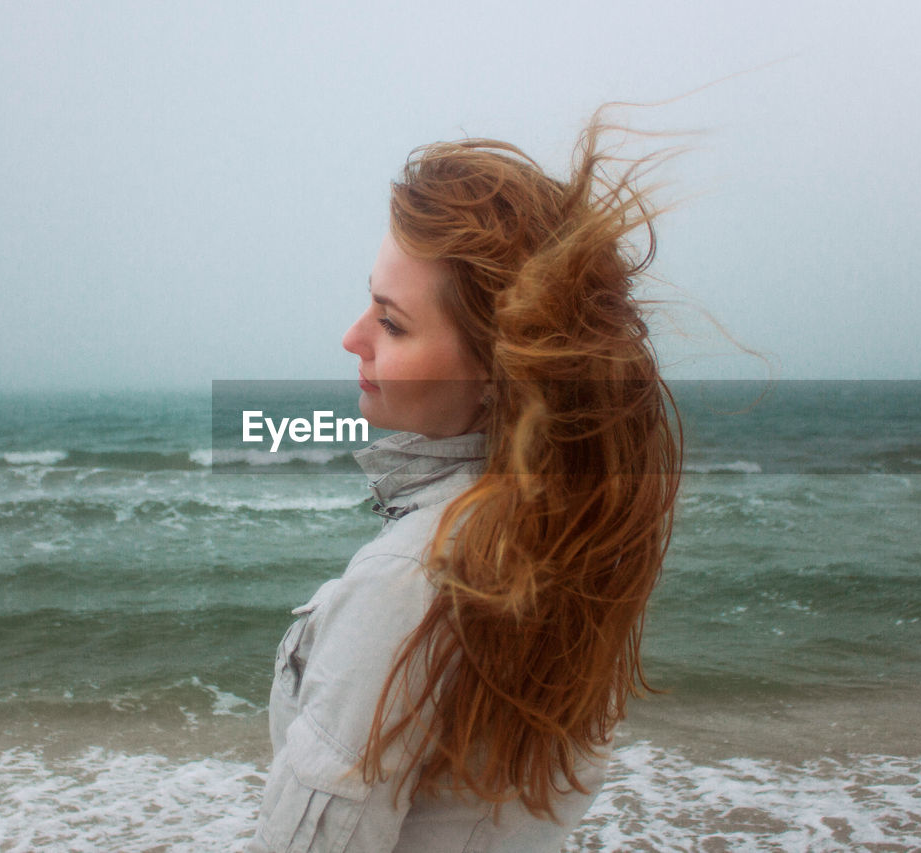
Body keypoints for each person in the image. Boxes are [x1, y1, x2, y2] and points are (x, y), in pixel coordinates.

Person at [248, 110, 682, 852]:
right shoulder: (569, 529)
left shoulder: (407, 581)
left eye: (391, 323)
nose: (352, 338)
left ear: (493, 374)